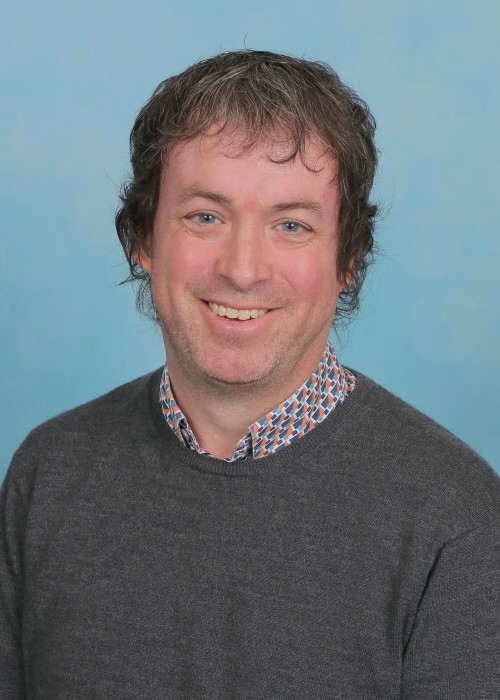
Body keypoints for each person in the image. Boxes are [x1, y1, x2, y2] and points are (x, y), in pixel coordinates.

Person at [1, 50, 499, 699]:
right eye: (205, 216)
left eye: (291, 225)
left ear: (348, 259)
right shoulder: (48, 474)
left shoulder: (456, 519)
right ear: (143, 238)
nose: (242, 269)